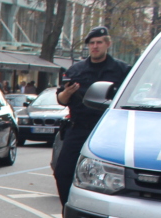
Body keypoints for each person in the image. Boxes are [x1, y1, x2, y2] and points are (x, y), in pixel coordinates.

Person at [53, 26, 131, 205]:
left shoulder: (122, 70)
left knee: (110, 178)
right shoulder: (76, 70)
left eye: (99, 43)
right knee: (63, 172)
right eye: (92, 43)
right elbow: (61, 100)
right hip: (78, 128)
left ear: (107, 44)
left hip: (108, 131)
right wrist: (68, 92)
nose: (95, 47)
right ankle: (69, 210)